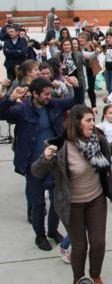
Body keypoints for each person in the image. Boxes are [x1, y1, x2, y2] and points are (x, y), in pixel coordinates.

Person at [32, 104, 112, 283]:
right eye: (88, 120)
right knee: (79, 245)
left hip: (96, 199)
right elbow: (36, 172)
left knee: (98, 242)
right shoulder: (60, 147)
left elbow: (107, 152)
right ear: (77, 123)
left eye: (93, 120)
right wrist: (45, 158)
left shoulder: (96, 140)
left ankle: (95, 276)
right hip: (72, 204)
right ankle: (79, 279)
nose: (93, 124)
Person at [0, 78, 84, 249]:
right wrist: (9, 98)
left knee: (56, 201)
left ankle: (53, 230)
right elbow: (2, 114)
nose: (49, 97)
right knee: (38, 204)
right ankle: (40, 234)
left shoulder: (53, 105)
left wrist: (77, 87)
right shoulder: (23, 110)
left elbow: (76, 102)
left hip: (55, 163)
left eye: (49, 93)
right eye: (45, 94)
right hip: (34, 166)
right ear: (34, 94)